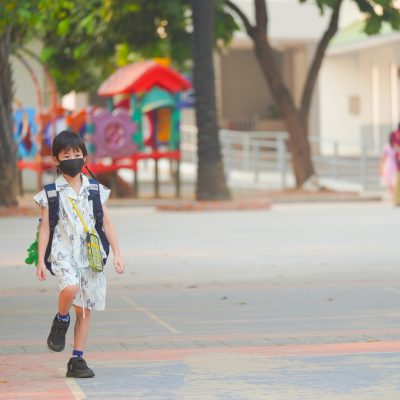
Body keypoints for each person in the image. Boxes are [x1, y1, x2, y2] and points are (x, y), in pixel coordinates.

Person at [34, 130, 124, 378]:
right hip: (62, 251)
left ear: (85, 157)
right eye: (66, 155)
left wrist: (117, 254)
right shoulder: (51, 193)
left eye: (77, 154)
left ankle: (77, 360)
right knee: (71, 287)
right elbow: (45, 228)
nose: (72, 159)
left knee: (84, 309)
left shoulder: (96, 190)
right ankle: (61, 319)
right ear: (56, 159)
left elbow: (107, 223)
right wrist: (40, 260)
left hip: (90, 255)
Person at [389, 124, 400, 206]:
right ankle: (397, 200)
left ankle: (397, 200)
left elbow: (393, 144)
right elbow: (394, 144)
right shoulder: (395, 134)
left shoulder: (393, 134)